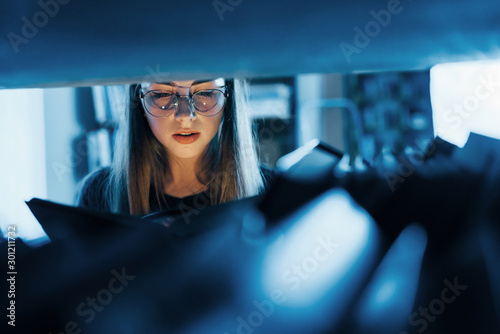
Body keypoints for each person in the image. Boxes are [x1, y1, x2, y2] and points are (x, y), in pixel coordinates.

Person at [77, 78, 275, 216]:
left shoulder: (272, 192)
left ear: (227, 100)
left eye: (205, 93)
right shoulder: (99, 195)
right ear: (140, 102)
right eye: (162, 94)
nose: (184, 114)